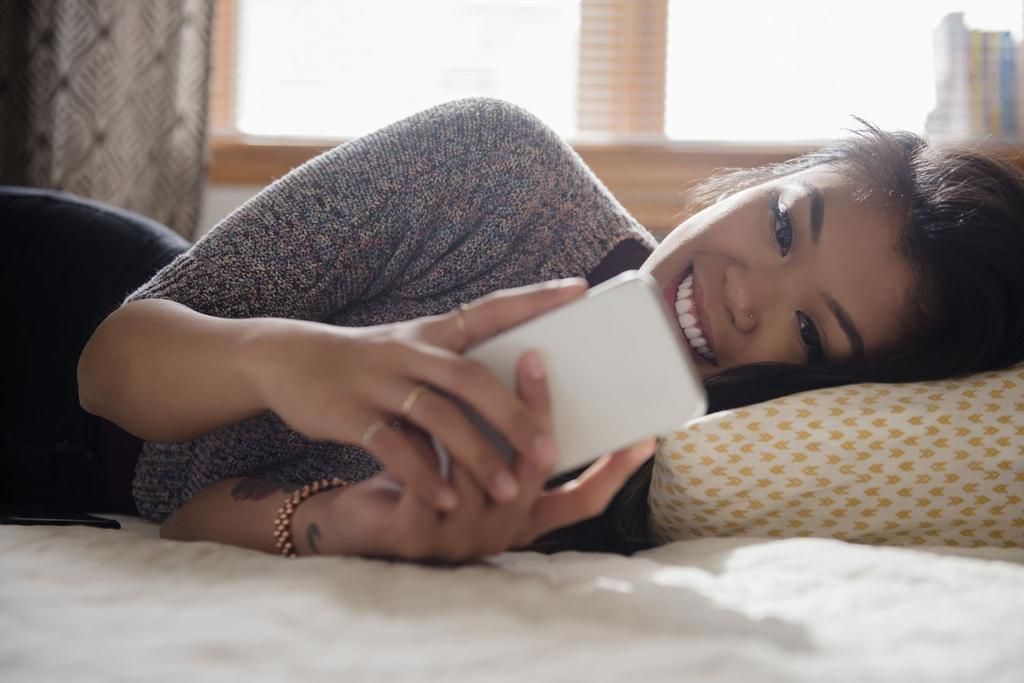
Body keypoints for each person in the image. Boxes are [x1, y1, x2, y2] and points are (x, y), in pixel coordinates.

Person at [8, 98, 1024, 563]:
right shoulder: (496, 167)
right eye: (783, 224)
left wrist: (346, 524)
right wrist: (292, 359)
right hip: (51, 308)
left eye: (810, 331)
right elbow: (110, 367)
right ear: (759, 180)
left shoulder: (635, 490)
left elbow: (181, 518)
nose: (746, 294)